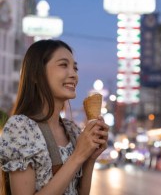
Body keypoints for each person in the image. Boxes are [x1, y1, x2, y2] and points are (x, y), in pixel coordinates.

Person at [0, 39, 109, 195]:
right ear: (36, 74)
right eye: (63, 65)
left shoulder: (72, 130)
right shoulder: (20, 128)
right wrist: (78, 155)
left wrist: (90, 157)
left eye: (75, 68)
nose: (73, 75)